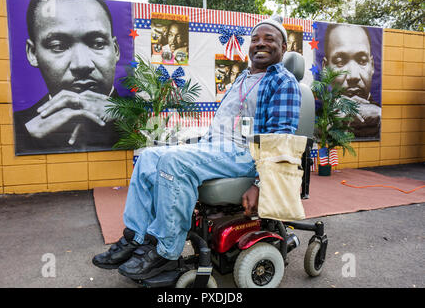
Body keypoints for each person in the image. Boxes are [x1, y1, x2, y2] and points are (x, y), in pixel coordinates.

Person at [92, 15, 301, 280]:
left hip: (246, 154)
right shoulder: (243, 78)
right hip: (217, 148)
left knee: (174, 163)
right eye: (256, 39)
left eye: (269, 39)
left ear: (283, 48)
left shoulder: (283, 82)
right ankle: (135, 237)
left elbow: (280, 139)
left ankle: (165, 250)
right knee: (147, 157)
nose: (261, 43)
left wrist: (259, 184)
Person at [13, 0, 121, 154]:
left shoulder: (141, 117)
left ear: (116, 50)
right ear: (33, 53)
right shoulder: (19, 127)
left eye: (98, 44)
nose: (82, 64)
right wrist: (26, 137)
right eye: (58, 46)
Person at [322, 24, 381, 138]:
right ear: (325, 69)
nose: (353, 76)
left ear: (372, 66)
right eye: (340, 62)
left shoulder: (381, 117)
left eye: (362, 61)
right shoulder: (316, 122)